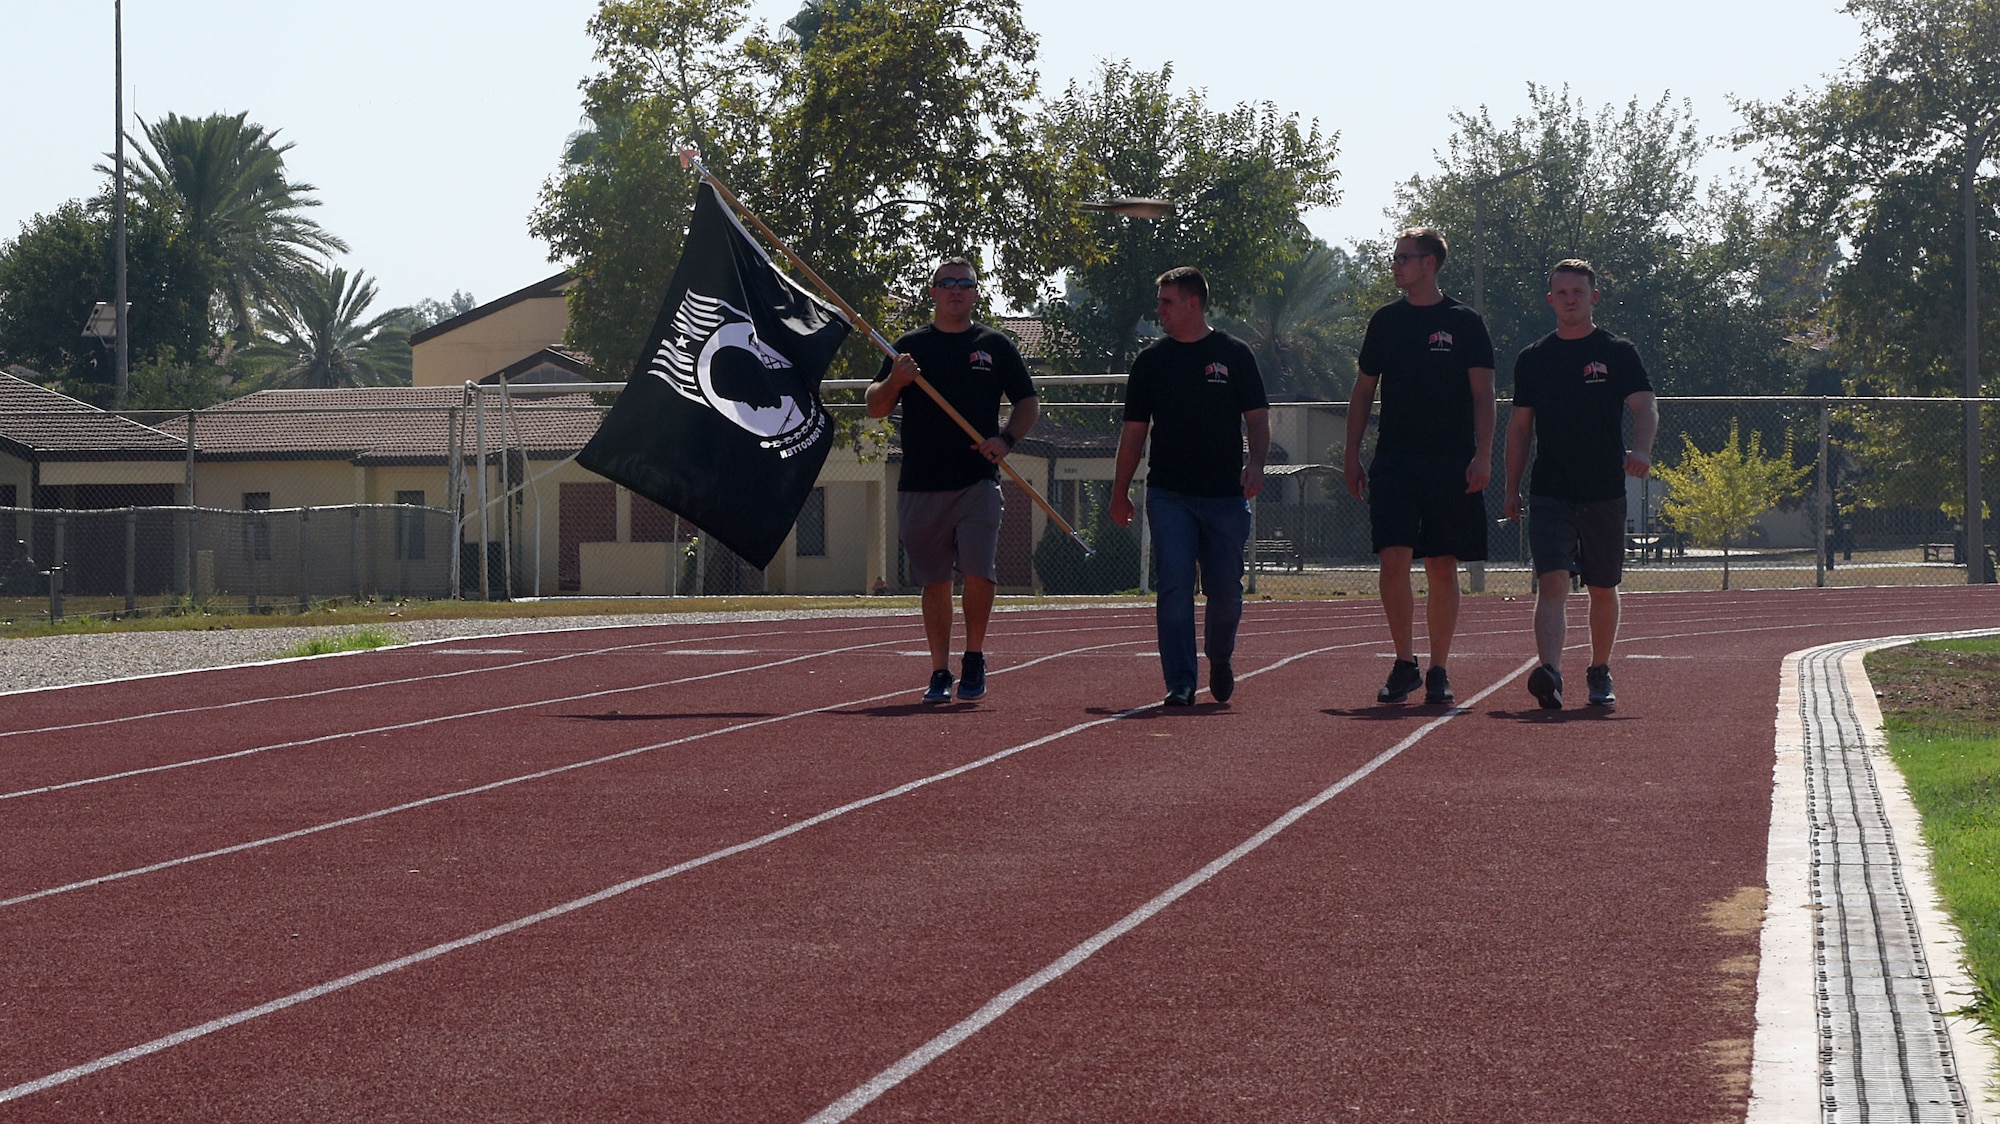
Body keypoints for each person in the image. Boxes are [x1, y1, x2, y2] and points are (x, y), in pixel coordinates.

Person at [867, 257, 1038, 703]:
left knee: (980, 571)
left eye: (965, 283)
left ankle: (975, 656)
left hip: (977, 480)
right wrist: (896, 381)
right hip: (921, 483)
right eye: (947, 283)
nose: (956, 290)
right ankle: (940, 670)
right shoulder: (908, 346)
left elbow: (1027, 402)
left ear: (976, 293)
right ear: (933, 293)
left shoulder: (995, 344)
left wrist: (1006, 439)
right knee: (935, 580)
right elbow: (875, 405)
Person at [1344, 227, 1496, 706]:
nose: (1396, 265)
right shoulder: (1385, 321)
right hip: (1394, 459)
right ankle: (1404, 662)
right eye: (1395, 257)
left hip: (1451, 460)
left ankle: (1438, 669)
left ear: (1429, 263)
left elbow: (1483, 394)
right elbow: (1363, 391)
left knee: (1441, 564)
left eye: (1404, 258)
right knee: (1393, 558)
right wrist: (1352, 454)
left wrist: (1483, 454)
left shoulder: (1465, 323)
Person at [1111, 266, 1271, 707]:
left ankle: (1219, 656)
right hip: (1169, 495)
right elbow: (1133, 433)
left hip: (1224, 495)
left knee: (1225, 590)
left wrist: (1256, 463)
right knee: (1175, 584)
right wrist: (1120, 490)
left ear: (1192, 304)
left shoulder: (1234, 354)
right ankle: (1180, 681)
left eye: (1166, 302)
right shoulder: (1151, 362)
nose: (1158, 309)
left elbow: (1257, 419)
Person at [1503, 258, 1658, 708]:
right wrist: (1512, 488)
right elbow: (1519, 429)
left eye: (1579, 292)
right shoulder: (1534, 359)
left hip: (1603, 489)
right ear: (1550, 299)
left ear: (1594, 297)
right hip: (1550, 489)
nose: (1570, 299)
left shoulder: (1617, 352)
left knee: (1602, 587)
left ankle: (1599, 668)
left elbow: (1645, 407)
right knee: (1551, 582)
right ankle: (1549, 672)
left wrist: (1642, 449)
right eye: (1562, 292)